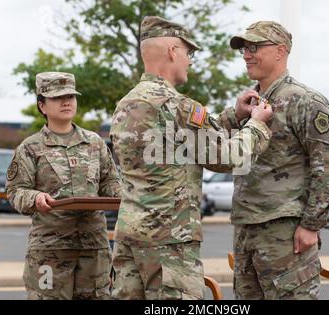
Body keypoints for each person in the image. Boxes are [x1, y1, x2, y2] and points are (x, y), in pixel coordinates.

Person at [109, 16, 273, 300]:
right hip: (169, 240)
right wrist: (257, 125)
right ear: (173, 51)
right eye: (189, 52)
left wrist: (233, 116)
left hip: (129, 235)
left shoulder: (126, 104)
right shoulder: (179, 107)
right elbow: (227, 157)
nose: (191, 61)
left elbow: (181, 141)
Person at [227, 21, 329, 300]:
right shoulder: (251, 103)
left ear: (280, 51)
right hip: (246, 228)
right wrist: (236, 116)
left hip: (286, 232)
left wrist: (310, 225)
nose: (246, 54)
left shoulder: (305, 101)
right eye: (245, 48)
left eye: (254, 47)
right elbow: (225, 152)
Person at [5, 72, 122, 300]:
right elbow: (15, 191)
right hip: (51, 249)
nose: (66, 102)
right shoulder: (30, 148)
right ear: (42, 105)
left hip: (93, 248)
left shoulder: (95, 143)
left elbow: (110, 182)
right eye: (58, 98)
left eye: (70, 96)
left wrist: (125, 198)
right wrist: (35, 198)